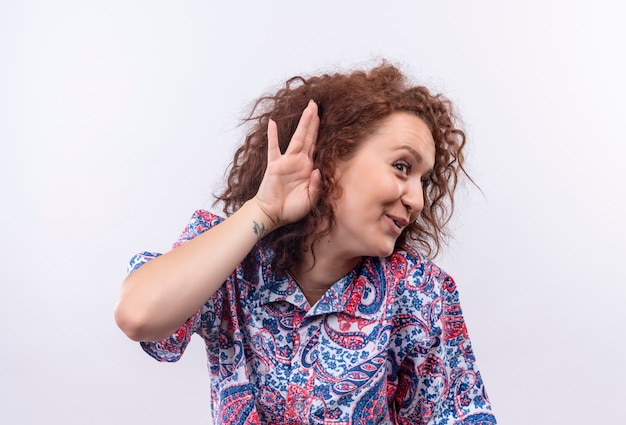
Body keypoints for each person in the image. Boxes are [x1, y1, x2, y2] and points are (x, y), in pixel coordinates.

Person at [114, 62, 497, 424]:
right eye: (402, 167)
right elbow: (138, 315)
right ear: (330, 158)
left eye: (423, 181)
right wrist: (262, 211)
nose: (417, 199)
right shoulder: (230, 262)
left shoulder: (418, 291)